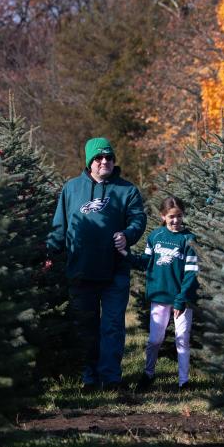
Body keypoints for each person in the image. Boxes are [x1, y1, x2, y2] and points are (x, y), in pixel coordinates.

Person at [46, 137, 146, 392]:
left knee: (112, 326)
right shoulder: (72, 189)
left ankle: (111, 377)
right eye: (99, 158)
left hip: (115, 271)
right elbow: (60, 226)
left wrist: (128, 234)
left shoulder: (127, 190)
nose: (104, 162)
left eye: (109, 157)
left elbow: (138, 220)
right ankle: (89, 378)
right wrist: (49, 252)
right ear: (89, 161)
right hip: (81, 270)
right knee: (86, 326)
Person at [129, 196, 199, 392]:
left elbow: (191, 273)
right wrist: (126, 255)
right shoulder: (155, 237)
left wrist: (181, 300)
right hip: (159, 297)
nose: (175, 221)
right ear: (163, 216)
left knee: (182, 338)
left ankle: (184, 382)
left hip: (182, 300)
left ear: (183, 215)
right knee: (154, 340)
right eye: (171, 217)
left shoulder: (189, 240)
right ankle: (148, 374)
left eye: (179, 216)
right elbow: (145, 262)